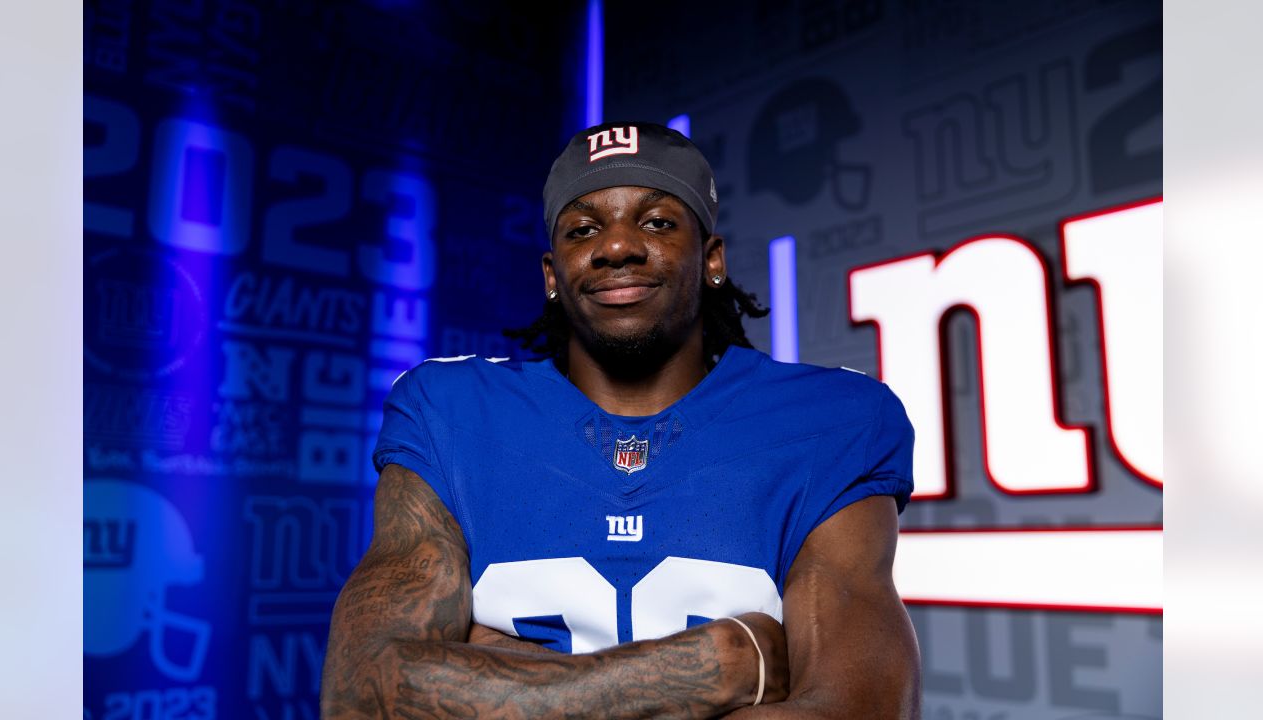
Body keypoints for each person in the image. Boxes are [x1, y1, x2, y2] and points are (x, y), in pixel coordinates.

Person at [321, 122, 921, 718]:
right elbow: (359, 695)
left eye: (657, 222)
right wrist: (717, 663)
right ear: (553, 275)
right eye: (584, 229)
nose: (616, 247)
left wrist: (505, 678)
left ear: (712, 258)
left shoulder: (833, 421)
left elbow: (857, 710)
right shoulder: (448, 410)